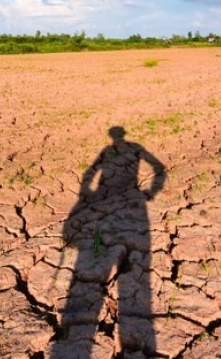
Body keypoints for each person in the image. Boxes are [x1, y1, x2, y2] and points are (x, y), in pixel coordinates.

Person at [52, 126, 167, 358]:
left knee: (103, 238)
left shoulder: (113, 150)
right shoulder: (132, 148)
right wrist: (151, 192)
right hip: (125, 202)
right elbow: (158, 168)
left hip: (114, 201)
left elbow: (89, 174)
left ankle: (108, 256)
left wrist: (88, 192)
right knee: (105, 237)